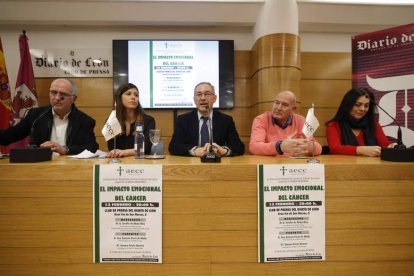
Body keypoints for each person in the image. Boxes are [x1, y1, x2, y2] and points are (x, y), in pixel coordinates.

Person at [0, 78, 98, 155]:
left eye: (63, 94)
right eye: (54, 92)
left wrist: (66, 149)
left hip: (70, 166)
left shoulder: (85, 121)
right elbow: (10, 135)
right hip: (40, 166)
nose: (57, 98)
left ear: (74, 98)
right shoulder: (36, 115)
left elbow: (92, 147)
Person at [168, 82, 244, 157]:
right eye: (199, 94)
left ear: (214, 99)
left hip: (217, 164)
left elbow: (239, 147)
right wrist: (194, 150)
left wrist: (224, 151)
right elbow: (174, 147)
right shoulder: (183, 120)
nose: (203, 98)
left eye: (207, 94)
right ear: (194, 100)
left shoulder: (226, 120)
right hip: (192, 164)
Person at [326, 87, 395, 156]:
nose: (362, 109)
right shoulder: (333, 125)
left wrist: (392, 146)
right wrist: (360, 150)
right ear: (347, 105)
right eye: (357, 105)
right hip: (345, 166)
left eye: (366, 106)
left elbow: (385, 144)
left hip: (371, 165)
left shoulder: (373, 124)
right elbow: (334, 148)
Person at [249, 90, 322, 156]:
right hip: (270, 166)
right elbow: (254, 147)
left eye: (285, 105)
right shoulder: (261, 120)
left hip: (294, 166)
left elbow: (318, 148)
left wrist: (310, 148)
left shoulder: (301, 121)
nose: (278, 108)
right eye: (277, 103)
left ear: (293, 109)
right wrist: (280, 147)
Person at [106, 83, 155, 158]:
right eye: (128, 94)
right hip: (119, 162)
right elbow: (112, 148)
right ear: (119, 98)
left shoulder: (148, 120)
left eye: (136, 95)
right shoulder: (112, 121)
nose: (133, 97)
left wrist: (126, 152)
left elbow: (147, 148)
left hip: (141, 163)